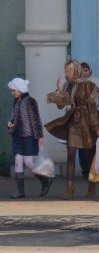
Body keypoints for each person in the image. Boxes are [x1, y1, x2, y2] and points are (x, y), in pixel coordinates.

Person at [45, 60, 99, 199]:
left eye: (68, 71)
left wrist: (96, 127)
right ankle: (69, 187)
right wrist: (58, 96)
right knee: (70, 153)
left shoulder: (90, 86)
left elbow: (93, 108)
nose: (66, 73)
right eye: (65, 71)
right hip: (73, 122)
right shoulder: (68, 86)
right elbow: (62, 106)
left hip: (87, 124)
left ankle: (92, 184)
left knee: (89, 156)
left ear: (76, 71)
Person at [7, 78, 53, 199]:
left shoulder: (31, 101)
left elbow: (36, 119)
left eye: (14, 90)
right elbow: (13, 117)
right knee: (18, 161)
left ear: (21, 89)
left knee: (28, 162)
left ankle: (45, 179)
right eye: (12, 90)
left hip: (29, 136)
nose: (12, 93)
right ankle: (20, 191)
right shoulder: (16, 101)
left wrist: (40, 136)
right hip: (17, 136)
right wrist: (10, 123)